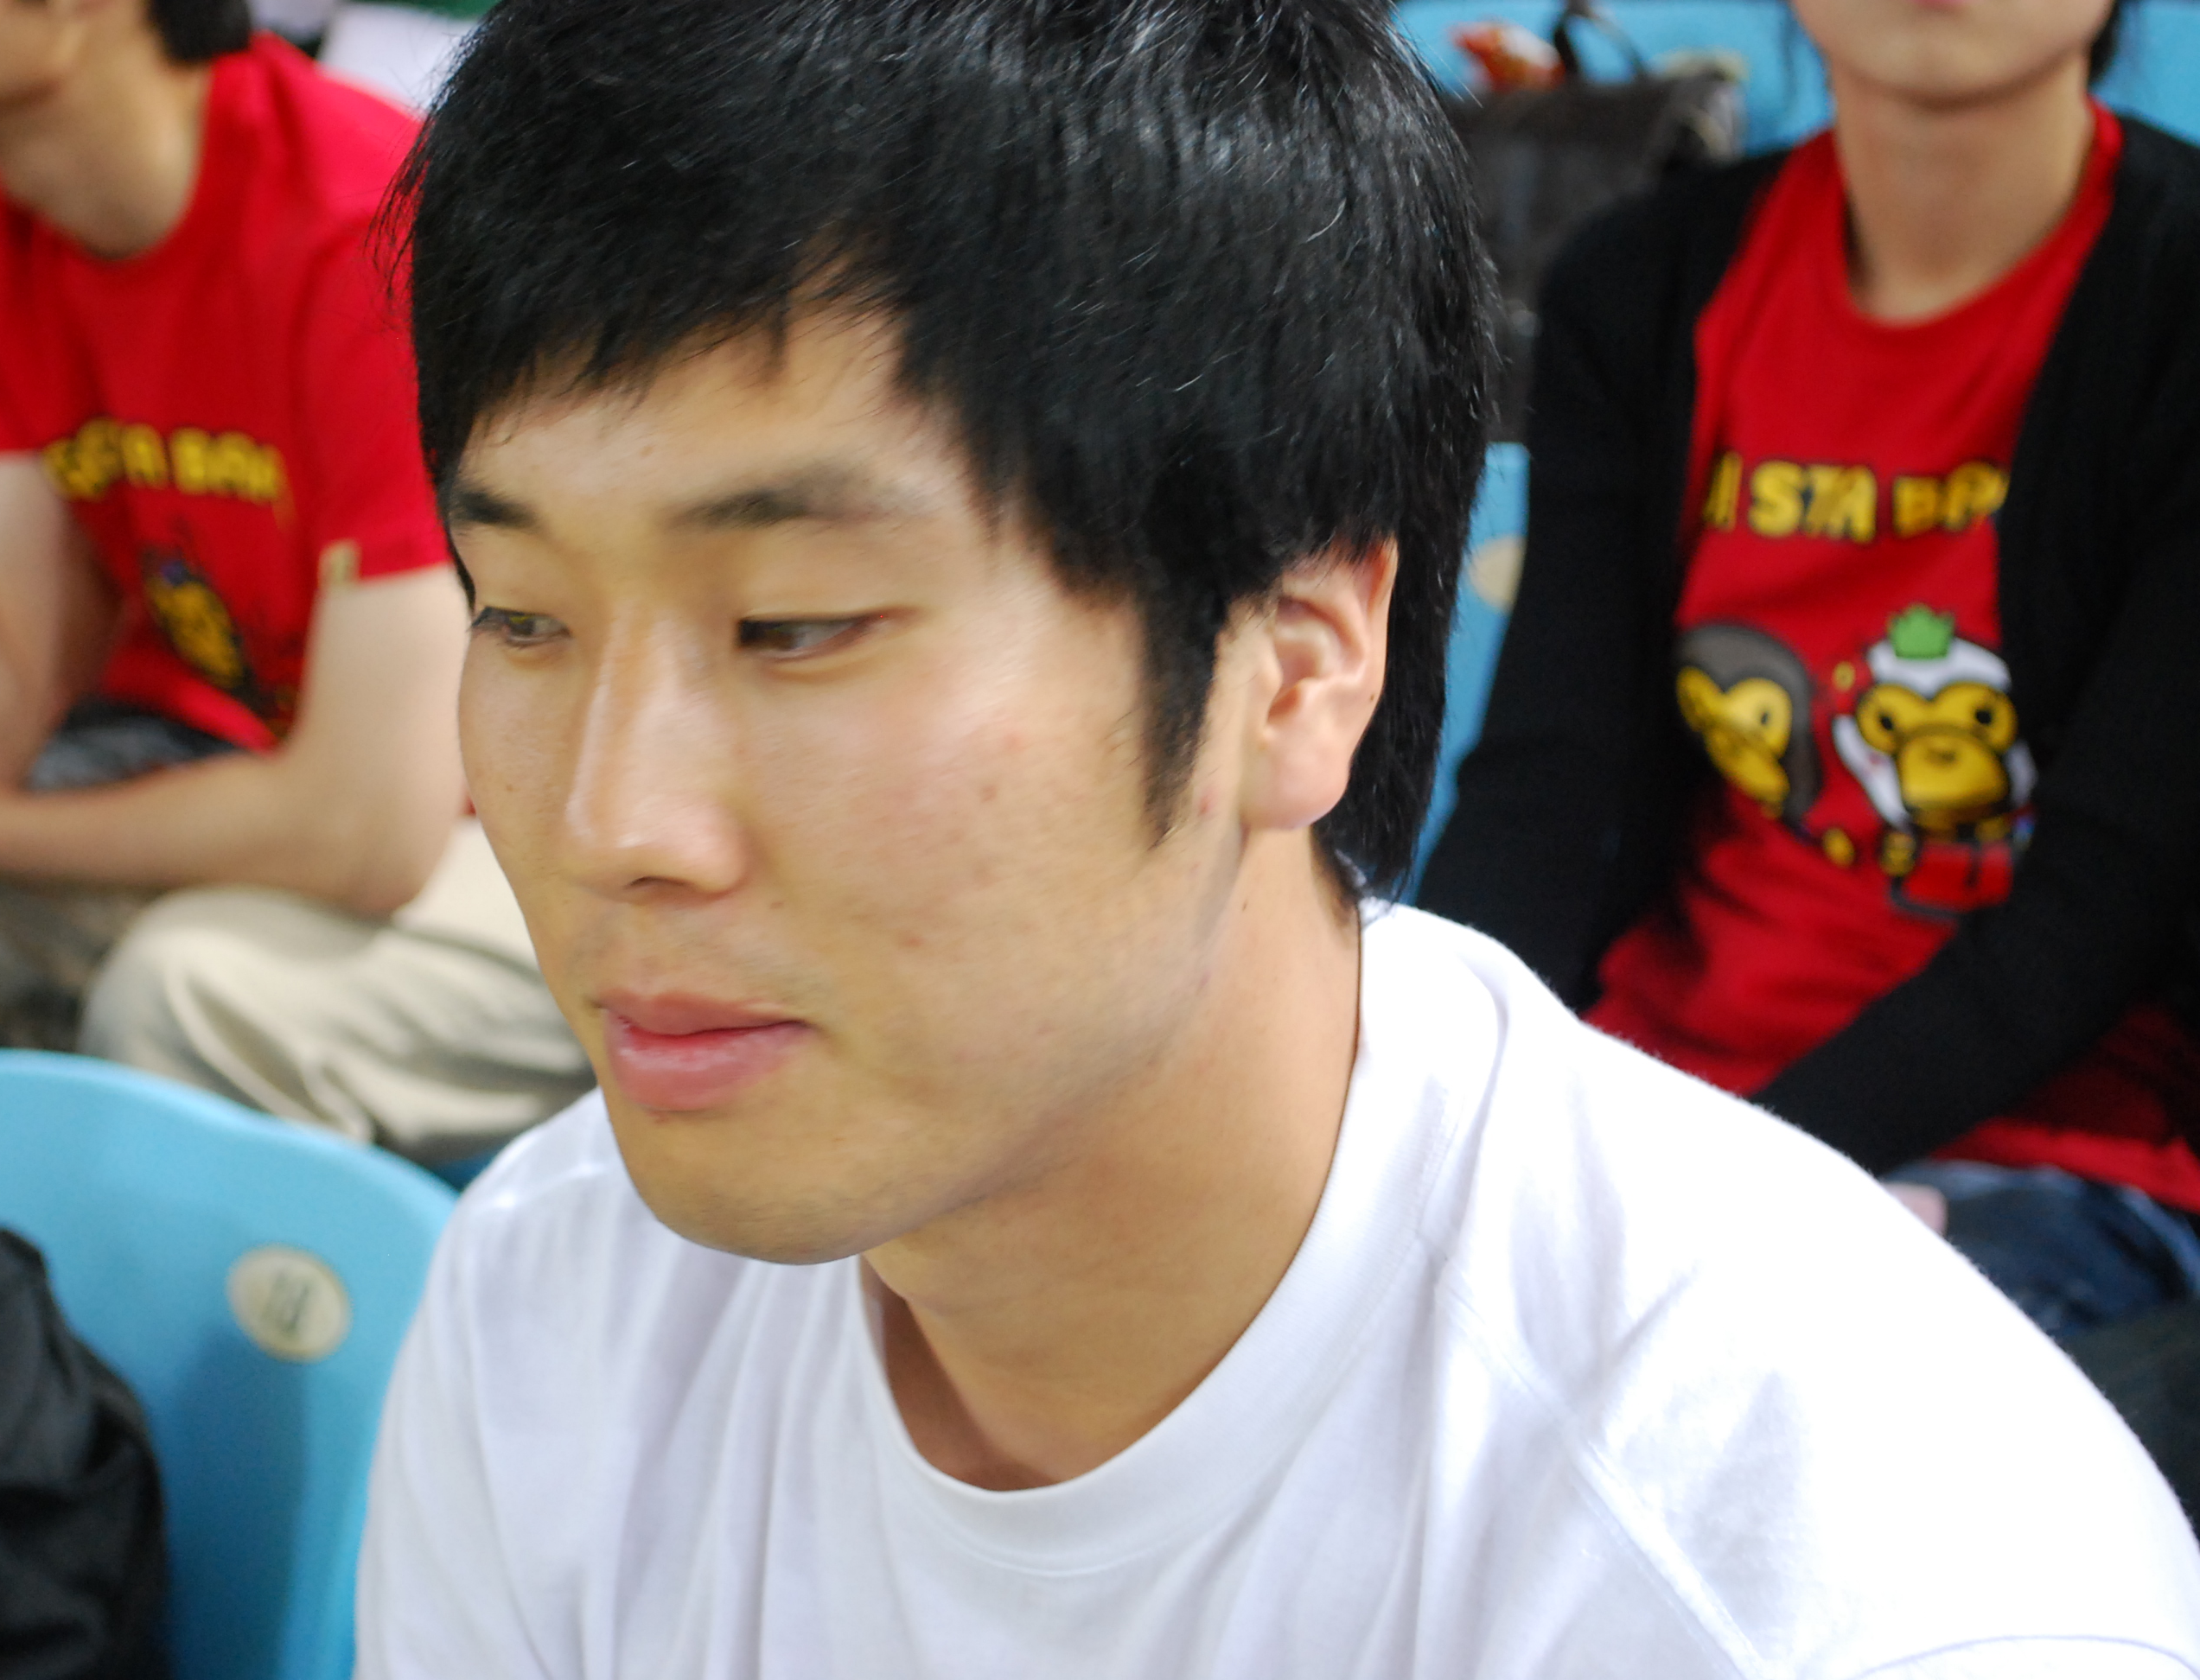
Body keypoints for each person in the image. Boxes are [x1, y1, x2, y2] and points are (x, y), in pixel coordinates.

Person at [355, 1, 2200, 1673]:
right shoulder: (550, 1309)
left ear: (1296, 664)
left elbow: (2116, 875)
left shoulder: (1851, 1594)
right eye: (521, 615)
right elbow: (1557, 785)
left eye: (793, 625)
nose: (609, 822)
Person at [1419, 0, 2200, 1345]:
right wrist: (1422, 1113)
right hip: (1655, 1096)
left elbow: (2105, 903)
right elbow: (1546, 795)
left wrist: (1748, 1194)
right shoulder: (1643, 285)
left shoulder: (2172, 299)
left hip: (2050, 1157)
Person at [0, 0, 587, 1157]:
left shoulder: (361, 226)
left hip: (569, 828)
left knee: (186, 995)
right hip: (263, 773)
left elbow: (368, 829)